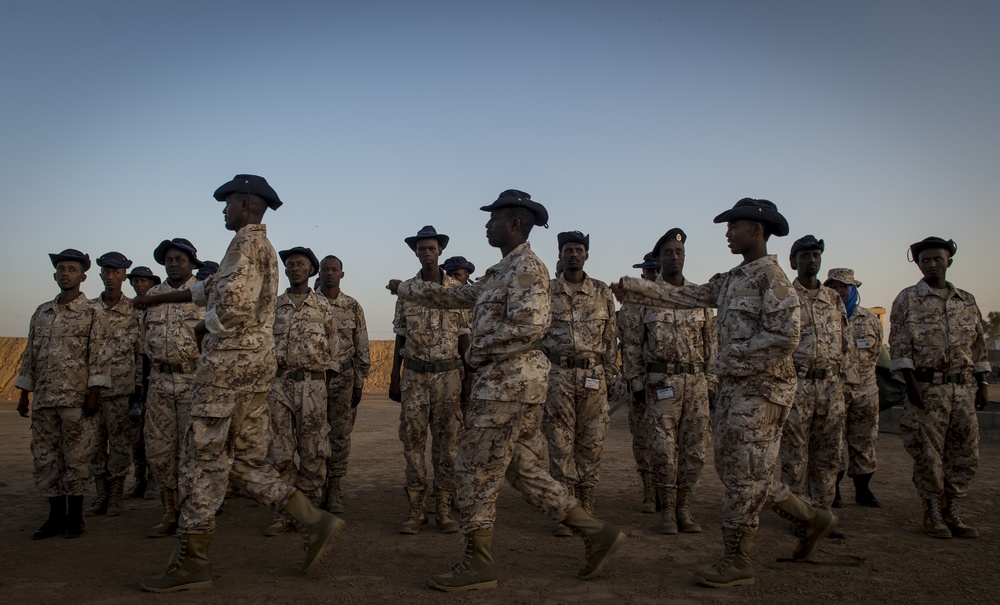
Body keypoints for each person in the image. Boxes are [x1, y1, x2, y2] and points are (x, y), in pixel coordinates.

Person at [387, 189, 625, 592]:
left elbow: (529, 325)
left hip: (507, 384)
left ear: (514, 224)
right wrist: (405, 289)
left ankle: (478, 563)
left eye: (493, 218)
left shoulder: (528, 267)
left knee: (474, 466)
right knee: (523, 468)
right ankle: (596, 532)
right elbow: (458, 295)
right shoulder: (501, 271)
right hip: (508, 382)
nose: (486, 225)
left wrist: (478, 348)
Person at [612, 198, 837, 589]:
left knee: (743, 472)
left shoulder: (774, 278)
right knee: (736, 466)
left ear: (758, 230)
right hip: (736, 389)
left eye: (735, 226)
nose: (728, 232)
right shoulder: (733, 278)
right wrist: (635, 289)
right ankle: (809, 517)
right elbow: (689, 296)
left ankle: (738, 558)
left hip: (763, 390)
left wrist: (728, 359)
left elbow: (785, 336)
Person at [134, 174, 344, 592]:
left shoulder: (246, 244)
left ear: (247, 203)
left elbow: (232, 306)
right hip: (254, 371)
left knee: (201, 461)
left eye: (228, 202)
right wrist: (160, 298)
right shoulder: (258, 248)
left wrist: (202, 329)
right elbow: (211, 287)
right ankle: (312, 519)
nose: (224, 209)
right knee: (245, 462)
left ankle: (193, 562)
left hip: (226, 371)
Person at [889, 236, 990, 539]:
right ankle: (932, 509)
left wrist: (982, 383)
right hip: (927, 388)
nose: (932, 264)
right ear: (918, 264)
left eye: (937, 259)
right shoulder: (908, 299)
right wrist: (911, 384)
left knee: (964, 451)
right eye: (925, 260)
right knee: (928, 454)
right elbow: (899, 345)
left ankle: (953, 509)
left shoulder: (967, 300)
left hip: (962, 389)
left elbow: (979, 344)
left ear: (949, 262)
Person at [621, 229, 716, 535]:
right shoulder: (645, 298)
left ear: (684, 256)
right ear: (659, 260)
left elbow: (711, 344)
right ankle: (667, 510)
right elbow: (633, 344)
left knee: (695, 450)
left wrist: (711, 382)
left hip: (696, 382)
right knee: (663, 448)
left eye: (678, 252)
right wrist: (636, 383)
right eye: (667, 253)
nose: (674, 257)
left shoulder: (699, 296)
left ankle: (684, 508)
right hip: (660, 382)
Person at [16, 249, 109, 540]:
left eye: (71, 269)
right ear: (55, 274)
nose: (65, 273)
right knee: (45, 459)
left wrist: (94, 392)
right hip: (44, 400)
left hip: (76, 400)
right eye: (61, 268)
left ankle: (75, 517)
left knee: (77, 458)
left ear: (82, 276)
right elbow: (31, 354)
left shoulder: (93, 312)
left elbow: (99, 354)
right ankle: (54, 516)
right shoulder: (42, 312)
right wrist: (24, 393)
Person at [389, 226, 469, 534]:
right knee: (413, 443)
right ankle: (416, 510)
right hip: (414, 376)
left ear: (440, 251)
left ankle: (444, 509)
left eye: (431, 248)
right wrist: (394, 378)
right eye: (421, 249)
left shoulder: (455, 291)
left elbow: (464, 337)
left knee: (447, 446)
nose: (426, 253)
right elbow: (400, 336)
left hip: (449, 377)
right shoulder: (406, 291)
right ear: (416, 252)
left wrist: (468, 378)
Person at [541, 231, 618, 537]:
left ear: (586, 255)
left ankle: (585, 506)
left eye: (579, 249)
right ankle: (565, 511)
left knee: (592, 443)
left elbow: (611, 339)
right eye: (568, 249)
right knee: (559, 445)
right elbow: (538, 337)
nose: (574, 254)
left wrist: (609, 377)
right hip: (557, 377)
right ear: (560, 254)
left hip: (593, 378)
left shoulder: (601, 292)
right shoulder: (547, 292)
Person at [263, 246, 339, 536]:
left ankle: (309, 512)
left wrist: (321, 387)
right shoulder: (273, 306)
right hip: (279, 384)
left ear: (311, 270)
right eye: (291, 264)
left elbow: (334, 352)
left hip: (313, 385)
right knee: (279, 452)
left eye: (301, 264)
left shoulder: (323, 307)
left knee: (313, 451)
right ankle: (285, 512)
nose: (295, 268)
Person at [779, 236, 851, 529]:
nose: (812, 260)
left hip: (831, 388)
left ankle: (821, 512)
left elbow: (844, 345)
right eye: (805, 255)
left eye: (816, 255)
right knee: (794, 457)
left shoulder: (833, 299)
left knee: (828, 455)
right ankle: (798, 513)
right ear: (793, 262)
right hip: (797, 385)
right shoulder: (784, 298)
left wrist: (842, 383)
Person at [142, 237, 206, 538]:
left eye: (180, 259)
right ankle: (169, 511)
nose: (173, 263)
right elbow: (141, 343)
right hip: (158, 383)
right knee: (158, 450)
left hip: (193, 382)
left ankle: (192, 514)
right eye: (168, 259)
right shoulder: (153, 295)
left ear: (192, 263)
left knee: (193, 450)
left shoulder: (203, 295)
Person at [85, 252, 143, 519]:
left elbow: (140, 352)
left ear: (124, 277)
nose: (110, 277)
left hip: (122, 389)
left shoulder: (134, 311)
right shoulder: (88, 310)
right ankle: (101, 494)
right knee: (94, 444)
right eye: (106, 272)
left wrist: (138, 392)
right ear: (100, 275)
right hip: (90, 391)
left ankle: (117, 494)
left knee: (120, 444)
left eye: (116, 272)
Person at [824, 268, 882, 507]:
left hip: (865, 391)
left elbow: (877, 353)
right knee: (832, 440)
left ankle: (863, 489)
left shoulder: (869, 319)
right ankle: (833, 489)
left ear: (852, 290)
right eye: (833, 287)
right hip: (834, 390)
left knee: (864, 440)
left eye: (842, 287)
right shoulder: (825, 318)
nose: (838, 291)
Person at [318, 254, 371, 513]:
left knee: (339, 436)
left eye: (334, 269)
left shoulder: (352, 306)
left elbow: (361, 344)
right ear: (318, 273)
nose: (329, 273)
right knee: (311, 437)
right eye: (325, 269)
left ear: (342, 274)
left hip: (344, 380)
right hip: (314, 382)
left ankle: (334, 487)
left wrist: (359, 383)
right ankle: (314, 487)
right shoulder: (309, 304)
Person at [617, 251, 660, 512]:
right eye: (650, 270)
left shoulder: (678, 301)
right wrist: (636, 383)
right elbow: (629, 346)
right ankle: (648, 489)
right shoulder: (631, 306)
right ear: (642, 274)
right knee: (643, 438)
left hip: (672, 382)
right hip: (641, 383)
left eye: (657, 270)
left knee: (671, 441)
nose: (654, 274)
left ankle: (669, 492)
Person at [125, 265, 161, 499]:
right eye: (135, 281)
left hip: (153, 379)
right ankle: (139, 479)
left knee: (156, 435)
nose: (139, 284)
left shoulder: (158, 309)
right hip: (130, 382)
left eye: (143, 281)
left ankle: (153, 480)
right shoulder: (128, 311)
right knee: (136, 438)